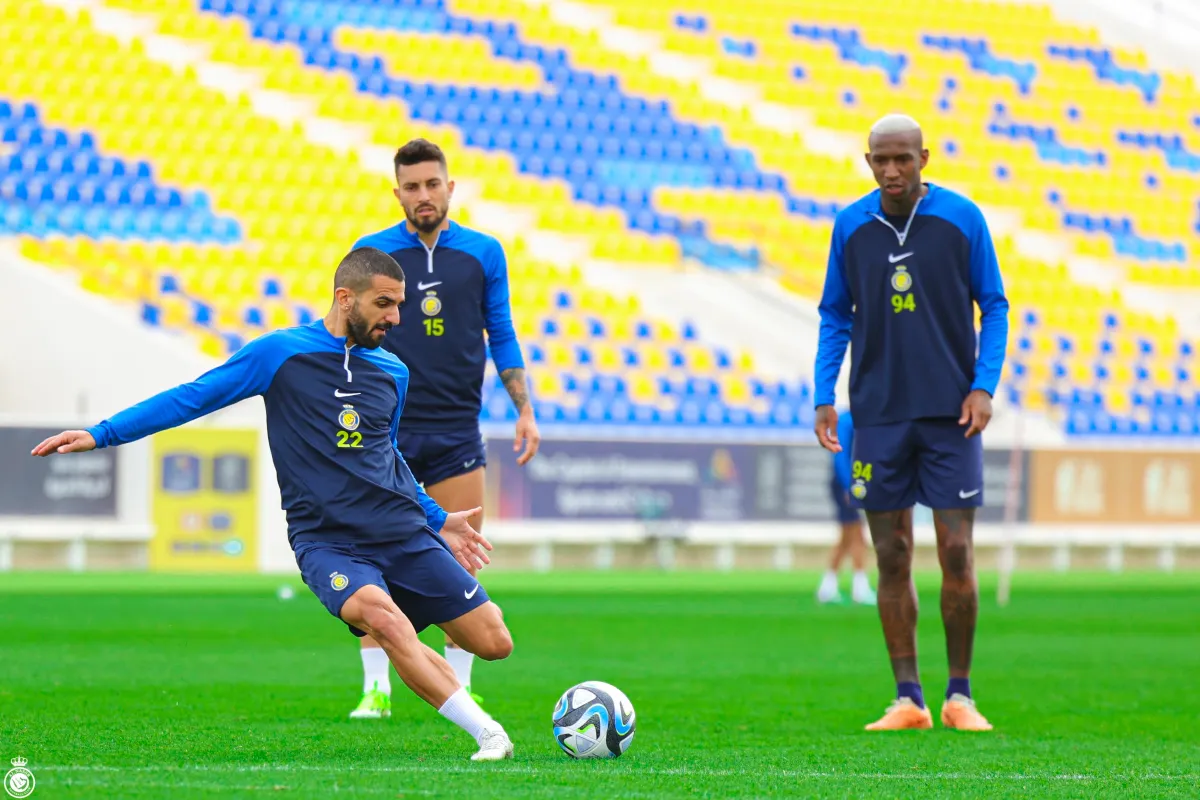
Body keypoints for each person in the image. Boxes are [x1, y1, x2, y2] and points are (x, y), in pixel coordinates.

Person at [30, 247, 516, 761]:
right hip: (330, 544)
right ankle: (489, 734)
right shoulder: (279, 355)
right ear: (344, 297)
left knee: (494, 642)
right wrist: (102, 433)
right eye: (385, 304)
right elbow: (193, 396)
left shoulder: (393, 372)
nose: (396, 318)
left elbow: (387, 454)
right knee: (386, 622)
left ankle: (451, 679)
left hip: (402, 533)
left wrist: (438, 519)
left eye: (399, 305)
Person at [812, 113, 1009, 732]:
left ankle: (961, 696)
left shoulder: (962, 219)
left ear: (925, 157)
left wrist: (983, 386)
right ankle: (908, 699)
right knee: (891, 554)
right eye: (880, 160)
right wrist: (824, 393)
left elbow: (995, 307)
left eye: (903, 159)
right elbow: (834, 314)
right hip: (877, 417)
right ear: (868, 160)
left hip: (952, 416)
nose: (892, 170)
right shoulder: (851, 225)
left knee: (956, 549)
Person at [345, 138, 540, 720]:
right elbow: (348, 333)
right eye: (411, 186)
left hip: (458, 430)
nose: (423, 195)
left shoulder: (482, 253)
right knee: (372, 556)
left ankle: (459, 685)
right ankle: (375, 688)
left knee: (464, 556)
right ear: (397, 191)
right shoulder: (372, 250)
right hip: (388, 430)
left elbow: (500, 333)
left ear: (450, 187)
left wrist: (524, 407)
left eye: (432, 184)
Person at [816, 409, 876, 606]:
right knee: (856, 533)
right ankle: (860, 587)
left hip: (852, 481)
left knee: (847, 536)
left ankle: (828, 586)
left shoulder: (861, 419)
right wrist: (847, 485)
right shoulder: (846, 420)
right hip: (845, 483)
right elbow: (840, 454)